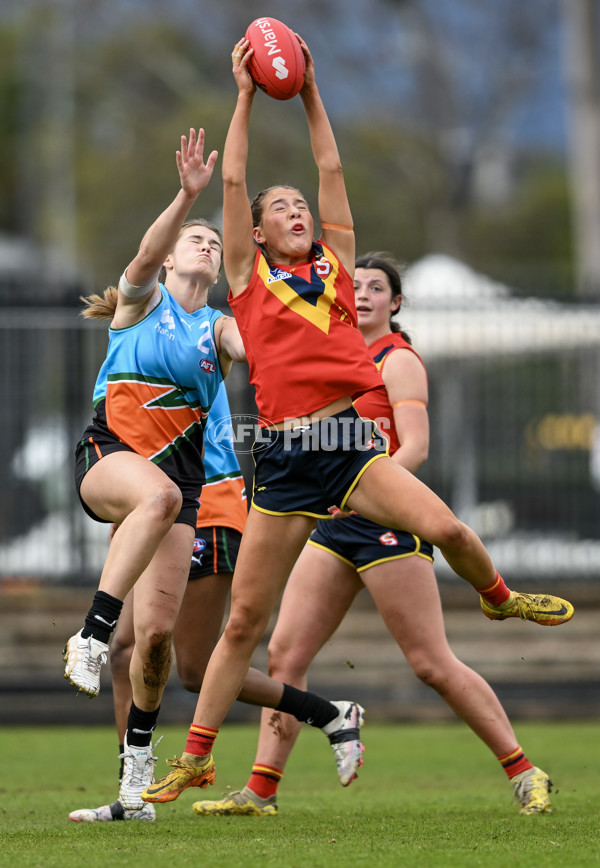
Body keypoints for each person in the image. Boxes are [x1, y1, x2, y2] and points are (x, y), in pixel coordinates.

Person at [141, 37, 573, 809]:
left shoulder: (339, 270)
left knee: (452, 532)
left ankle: (500, 596)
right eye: (282, 208)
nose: (298, 209)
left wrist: (309, 93)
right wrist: (244, 95)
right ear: (260, 231)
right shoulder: (248, 276)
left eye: (300, 205)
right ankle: (202, 759)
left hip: (347, 450)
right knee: (246, 625)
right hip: (284, 459)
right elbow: (234, 178)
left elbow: (332, 171)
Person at [191, 253, 552, 819]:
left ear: (395, 303)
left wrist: (363, 486)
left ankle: (524, 771)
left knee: (431, 663)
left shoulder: (397, 358)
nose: (360, 295)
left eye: (376, 288)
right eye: (353, 285)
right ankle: (260, 792)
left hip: (380, 519)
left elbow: (414, 448)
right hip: (329, 520)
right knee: (284, 652)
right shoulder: (326, 348)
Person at [68, 380, 364, 821]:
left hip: (206, 505)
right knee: (125, 650)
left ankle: (329, 714)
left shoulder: (194, 332)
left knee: (196, 669)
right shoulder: (134, 340)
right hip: (153, 504)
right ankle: (134, 793)